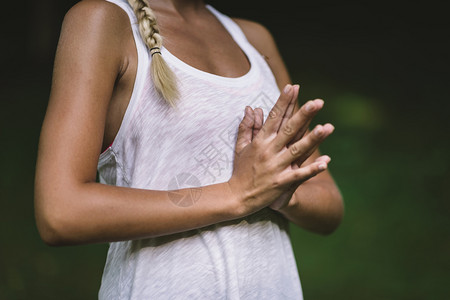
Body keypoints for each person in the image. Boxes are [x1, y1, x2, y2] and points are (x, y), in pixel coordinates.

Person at [34, 0, 344, 298]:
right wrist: (238, 194)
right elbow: (61, 212)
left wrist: (279, 192)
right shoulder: (104, 21)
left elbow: (329, 205)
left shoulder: (253, 37)